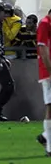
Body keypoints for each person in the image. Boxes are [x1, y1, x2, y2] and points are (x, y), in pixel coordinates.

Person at [37, 9, 51, 156]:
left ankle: (46, 137)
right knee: (50, 107)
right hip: (48, 73)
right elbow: (43, 48)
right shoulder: (45, 23)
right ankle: (50, 147)